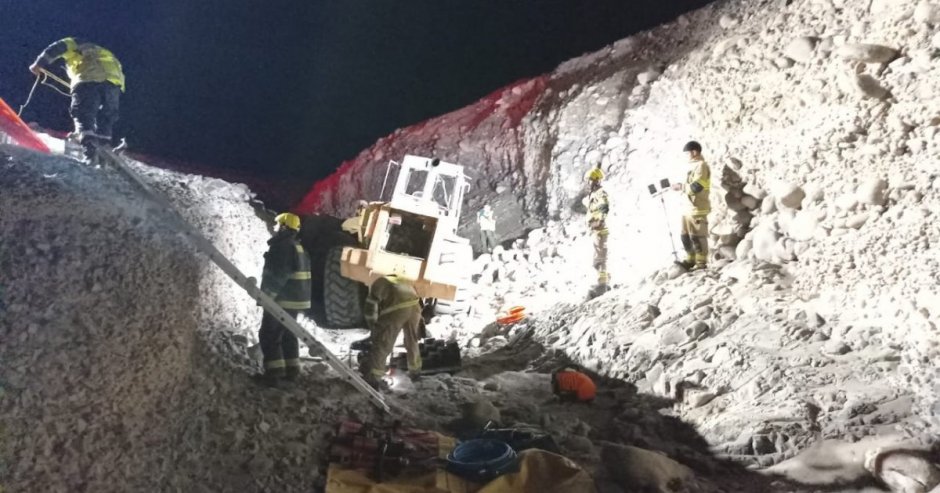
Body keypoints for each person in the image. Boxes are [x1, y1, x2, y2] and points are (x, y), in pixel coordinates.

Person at [29, 37, 125, 158]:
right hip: (114, 84)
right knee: (106, 117)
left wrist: (38, 64)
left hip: (89, 78)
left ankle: (89, 145)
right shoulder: (101, 52)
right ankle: (103, 143)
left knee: (83, 113)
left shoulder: (73, 44)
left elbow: (56, 48)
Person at [256, 212, 312, 387]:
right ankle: (292, 370)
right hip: (296, 299)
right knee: (288, 334)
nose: (274, 228)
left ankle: (274, 374)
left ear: (284, 227)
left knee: (269, 334)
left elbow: (278, 275)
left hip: (284, 299)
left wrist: (267, 296)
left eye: (277, 225)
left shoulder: (283, 247)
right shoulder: (297, 246)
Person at [360, 274, 423, 390]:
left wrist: (373, 328)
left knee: (383, 343)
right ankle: (415, 371)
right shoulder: (401, 280)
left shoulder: (377, 284)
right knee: (411, 340)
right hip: (415, 306)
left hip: (399, 308)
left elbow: (370, 309)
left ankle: (374, 379)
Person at [671, 141, 711, 271]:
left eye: (687, 153)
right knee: (685, 235)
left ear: (694, 152)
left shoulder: (701, 166)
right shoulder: (690, 166)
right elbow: (689, 184)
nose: (686, 155)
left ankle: (701, 263)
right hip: (687, 207)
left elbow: (697, 187)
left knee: (697, 236)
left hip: (697, 207)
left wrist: (681, 187)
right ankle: (690, 259)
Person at [584, 166, 610, 298]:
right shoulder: (594, 195)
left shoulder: (601, 194)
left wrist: (598, 221)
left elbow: (604, 209)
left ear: (596, 180)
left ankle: (602, 285)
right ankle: (604, 281)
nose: (588, 183)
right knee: (597, 259)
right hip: (596, 230)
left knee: (600, 258)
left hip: (600, 230)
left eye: (589, 180)